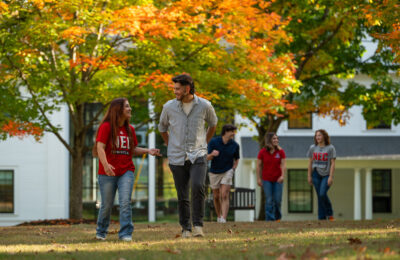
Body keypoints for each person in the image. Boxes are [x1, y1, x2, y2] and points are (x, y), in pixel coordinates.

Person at [158, 74, 218, 238]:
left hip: (198, 153)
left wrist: (205, 141)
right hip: (177, 156)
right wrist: (170, 144)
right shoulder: (169, 107)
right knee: (182, 194)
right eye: (174, 88)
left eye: (178, 89)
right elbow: (162, 128)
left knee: (198, 186)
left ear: (187, 88)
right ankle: (186, 228)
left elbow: (213, 124)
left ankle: (198, 225)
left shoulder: (204, 105)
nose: (175, 91)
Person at [93, 98, 160, 241]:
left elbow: (132, 149)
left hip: (126, 171)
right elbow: (100, 147)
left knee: (125, 202)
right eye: (127, 107)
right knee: (106, 205)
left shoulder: (130, 129)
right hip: (107, 172)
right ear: (118, 109)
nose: (130, 109)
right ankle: (101, 231)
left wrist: (148, 151)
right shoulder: (106, 127)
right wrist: (106, 165)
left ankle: (125, 234)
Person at [207, 124, 240, 223]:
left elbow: (237, 158)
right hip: (214, 171)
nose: (233, 134)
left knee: (224, 194)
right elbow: (207, 157)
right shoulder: (214, 142)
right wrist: (212, 154)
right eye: (232, 132)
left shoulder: (235, 145)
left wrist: (233, 168)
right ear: (226, 131)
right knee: (216, 196)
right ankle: (219, 216)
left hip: (227, 170)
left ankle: (224, 218)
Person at [307, 129, 336, 221]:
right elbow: (310, 163)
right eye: (316, 136)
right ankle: (321, 217)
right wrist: (309, 176)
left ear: (324, 136)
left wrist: (331, 177)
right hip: (316, 174)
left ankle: (329, 213)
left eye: (319, 135)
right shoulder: (312, 148)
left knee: (322, 194)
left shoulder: (330, 148)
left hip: (326, 174)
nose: (317, 137)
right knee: (319, 195)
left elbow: (333, 163)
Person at [256, 133, 286, 222]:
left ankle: (277, 218)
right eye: (274, 139)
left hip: (278, 180)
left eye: (277, 138)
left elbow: (284, 165)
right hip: (266, 180)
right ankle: (269, 220)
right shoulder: (262, 152)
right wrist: (258, 178)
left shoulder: (281, 152)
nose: (276, 140)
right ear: (269, 140)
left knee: (277, 200)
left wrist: (282, 176)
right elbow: (259, 166)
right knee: (269, 200)